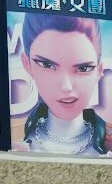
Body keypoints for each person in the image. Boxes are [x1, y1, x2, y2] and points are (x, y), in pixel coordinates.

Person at [18, 14, 110, 154]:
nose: (66, 86)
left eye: (83, 68)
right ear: (27, 64)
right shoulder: (19, 146)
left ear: (99, 71)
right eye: (47, 65)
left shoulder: (107, 145)